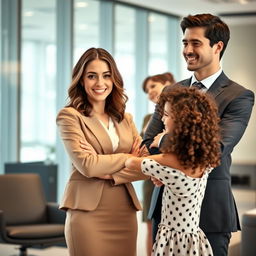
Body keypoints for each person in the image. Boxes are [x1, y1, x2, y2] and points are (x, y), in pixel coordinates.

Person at [143, 13, 255, 256]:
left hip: (210, 210)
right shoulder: (171, 91)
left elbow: (214, 148)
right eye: (185, 43)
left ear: (217, 47)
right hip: (165, 208)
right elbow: (146, 141)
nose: (187, 50)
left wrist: (164, 143)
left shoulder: (239, 96)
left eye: (195, 43)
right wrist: (160, 147)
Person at [56, 47, 147, 256]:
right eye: (91, 76)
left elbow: (146, 166)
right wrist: (129, 158)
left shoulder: (126, 118)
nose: (100, 83)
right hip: (87, 213)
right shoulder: (70, 117)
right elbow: (87, 166)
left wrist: (106, 166)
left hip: (124, 210)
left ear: (114, 79)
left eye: (106, 75)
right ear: (81, 80)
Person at [126, 86, 220, 255]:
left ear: (182, 121)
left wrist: (138, 154)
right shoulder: (203, 158)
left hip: (174, 240)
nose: (162, 118)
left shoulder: (170, 159)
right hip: (193, 237)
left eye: (167, 115)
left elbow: (131, 163)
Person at [141, 72, 176, 256]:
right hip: (150, 180)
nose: (150, 93)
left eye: (153, 86)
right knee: (152, 227)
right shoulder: (148, 119)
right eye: (147, 90)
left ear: (168, 84)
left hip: (177, 178)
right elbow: (142, 148)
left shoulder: (182, 115)